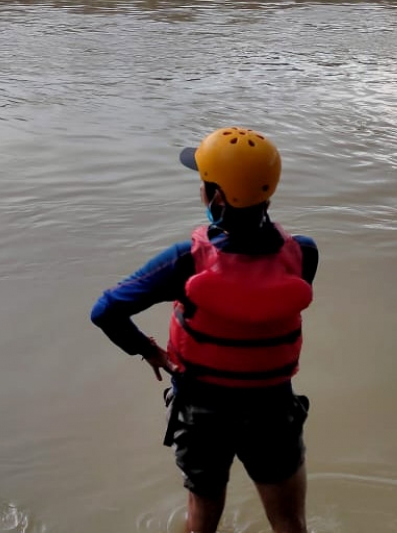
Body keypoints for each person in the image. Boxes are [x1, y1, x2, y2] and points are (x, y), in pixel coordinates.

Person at [91, 127, 319, 533]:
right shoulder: (303, 253)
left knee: (201, 522)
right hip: (272, 411)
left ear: (214, 197)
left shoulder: (185, 261)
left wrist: (149, 350)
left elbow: (105, 310)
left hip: (201, 412)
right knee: (290, 524)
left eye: (204, 183)